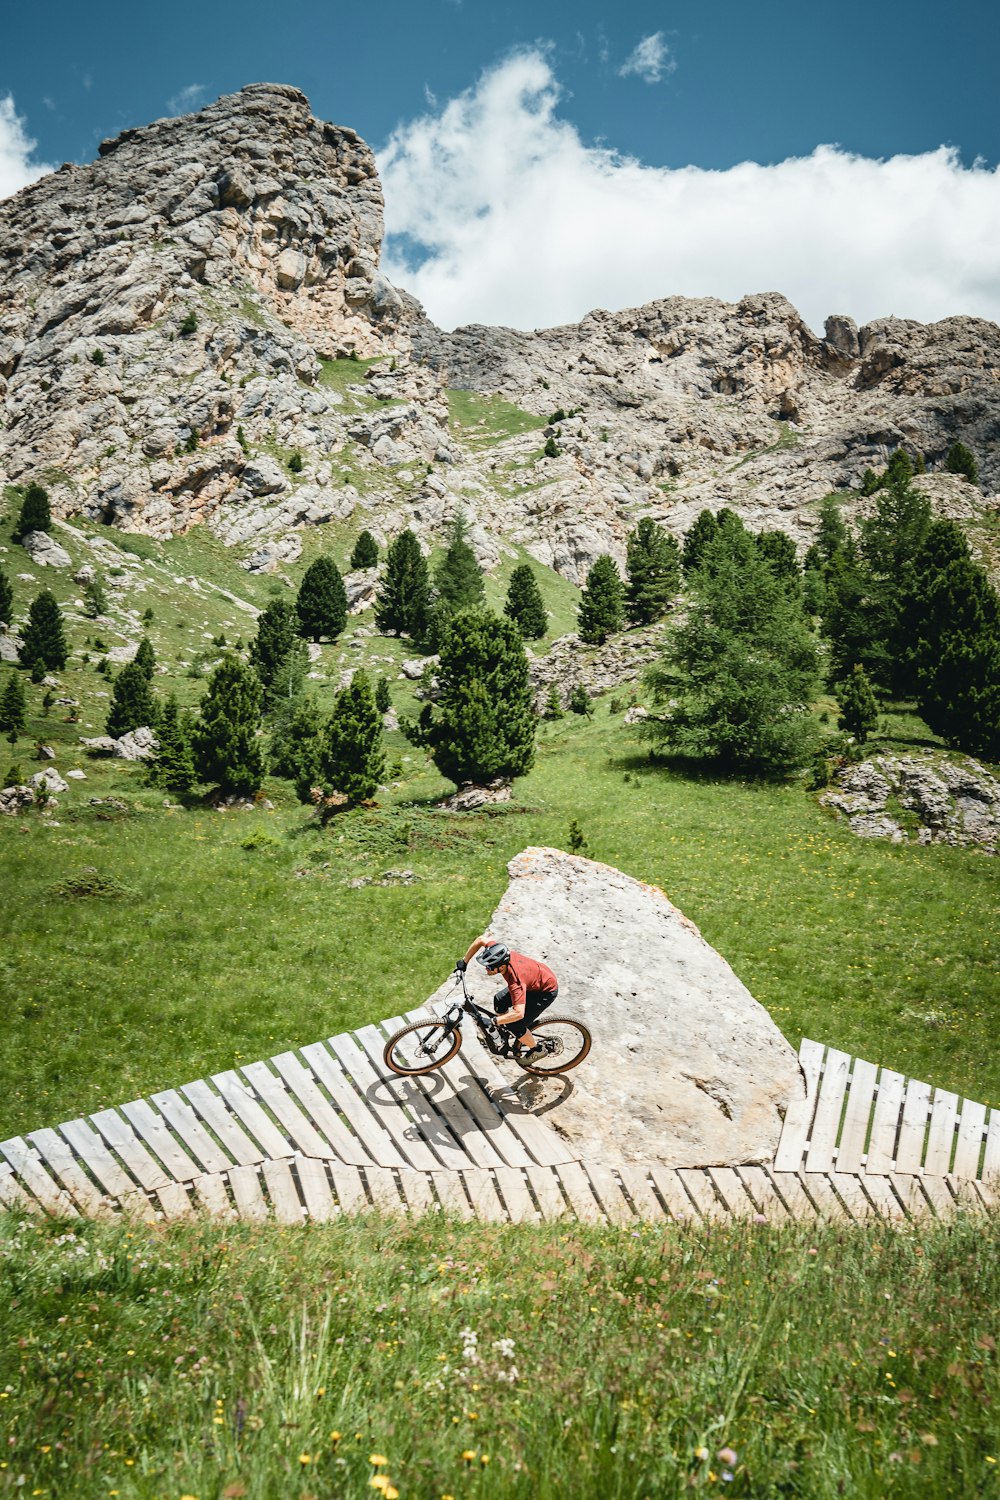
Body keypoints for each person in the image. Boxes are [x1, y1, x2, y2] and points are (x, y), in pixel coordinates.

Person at [457, 934, 558, 1062]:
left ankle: (537, 1050)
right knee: (499, 1000)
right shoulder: (499, 952)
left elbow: (519, 1013)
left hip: (544, 992)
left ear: (502, 967)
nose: (486, 969)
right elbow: (481, 939)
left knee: (515, 1026)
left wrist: (493, 1021)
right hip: (535, 979)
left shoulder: (515, 982)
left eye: (490, 966)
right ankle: (502, 1032)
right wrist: (464, 961)